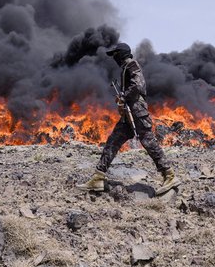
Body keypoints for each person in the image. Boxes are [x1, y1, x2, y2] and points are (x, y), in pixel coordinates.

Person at [77, 42, 182, 196]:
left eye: (115, 54)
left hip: (138, 113)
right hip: (129, 114)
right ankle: (98, 177)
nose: (114, 58)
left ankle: (169, 175)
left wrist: (124, 96)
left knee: (148, 142)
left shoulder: (132, 65)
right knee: (113, 141)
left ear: (121, 54)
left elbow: (138, 85)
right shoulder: (126, 67)